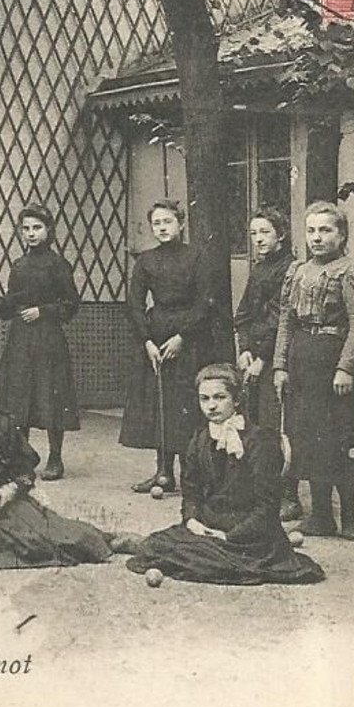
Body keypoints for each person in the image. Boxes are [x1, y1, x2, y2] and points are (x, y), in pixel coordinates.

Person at [126, 364, 326, 586]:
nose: (211, 406)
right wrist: (192, 521)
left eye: (219, 397)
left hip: (250, 536)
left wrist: (229, 536)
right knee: (156, 546)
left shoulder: (259, 442)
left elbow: (267, 508)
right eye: (204, 399)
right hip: (209, 525)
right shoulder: (200, 439)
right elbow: (191, 493)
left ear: (237, 400)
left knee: (209, 560)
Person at [0, 354, 125, 571]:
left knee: (50, 536)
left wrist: (14, 486)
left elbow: (26, 471)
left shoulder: (4, 422)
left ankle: (113, 540)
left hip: (4, 502)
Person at [273, 202, 354, 540]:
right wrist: (280, 365)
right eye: (311, 231)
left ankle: (350, 517)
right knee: (308, 439)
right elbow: (286, 322)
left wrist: (346, 367)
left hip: (335, 360)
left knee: (340, 438)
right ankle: (321, 515)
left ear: (341, 234)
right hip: (303, 361)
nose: (317, 238)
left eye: (325, 230)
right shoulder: (297, 271)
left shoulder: (352, 270)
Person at [119, 200, 216, 495]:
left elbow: (206, 302)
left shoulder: (197, 256)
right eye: (157, 223)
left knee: (185, 406)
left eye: (168, 222)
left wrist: (183, 337)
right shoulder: (146, 260)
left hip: (191, 338)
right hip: (157, 334)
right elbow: (135, 303)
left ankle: (191, 475)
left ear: (181, 224)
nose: (162, 228)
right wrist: (147, 340)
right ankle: (163, 472)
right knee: (159, 402)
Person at [0, 204, 83, 480]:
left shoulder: (58, 265)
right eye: (26, 228)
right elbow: (11, 305)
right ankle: (23, 458)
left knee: (51, 397)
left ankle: (55, 458)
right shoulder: (19, 265)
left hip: (48, 341)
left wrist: (42, 311)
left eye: (37, 228)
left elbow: (70, 305)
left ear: (48, 230)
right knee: (20, 397)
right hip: (20, 340)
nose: (31, 234)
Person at [234, 207, 302, 521]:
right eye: (254, 234)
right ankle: (262, 492)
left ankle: (289, 496)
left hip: (279, 358)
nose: (258, 239)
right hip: (256, 359)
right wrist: (245, 349)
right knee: (258, 426)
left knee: (280, 426)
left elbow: (280, 318)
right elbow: (244, 313)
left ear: (281, 235)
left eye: (265, 233)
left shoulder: (290, 268)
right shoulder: (259, 269)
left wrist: (261, 357)